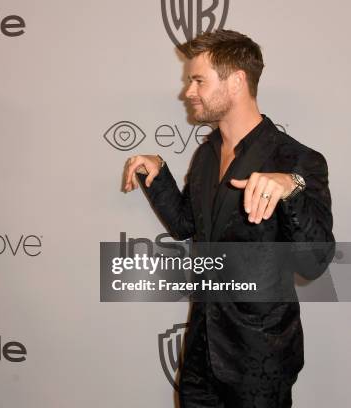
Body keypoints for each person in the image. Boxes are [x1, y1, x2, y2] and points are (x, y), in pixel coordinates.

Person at [122, 30, 334, 407]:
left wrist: (293, 190)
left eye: (198, 80)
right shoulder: (206, 156)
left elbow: (315, 261)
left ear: (236, 81)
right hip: (202, 354)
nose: (188, 92)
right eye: (190, 80)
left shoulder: (297, 161)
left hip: (260, 361)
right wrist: (158, 175)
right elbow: (188, 225)